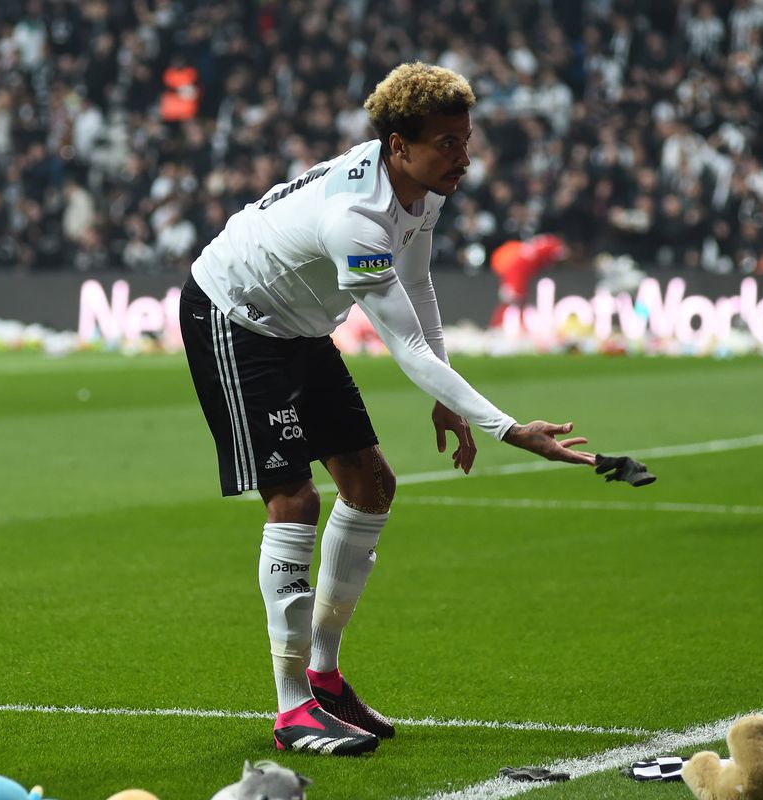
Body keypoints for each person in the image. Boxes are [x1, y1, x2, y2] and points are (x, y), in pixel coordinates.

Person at [179, 63, 601, 755]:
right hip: (236, 315)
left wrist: (448, 396)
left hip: (299, 324)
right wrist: (507, 428)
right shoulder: (357, 217)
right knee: (293, 500)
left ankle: (324, 678)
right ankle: (292, 712)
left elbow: (418, 279)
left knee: (373, 486)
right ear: (398, 146)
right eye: (447, 143)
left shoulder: (423, 188)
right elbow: (403, 342)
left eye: (466, 140)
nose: (464, 157)